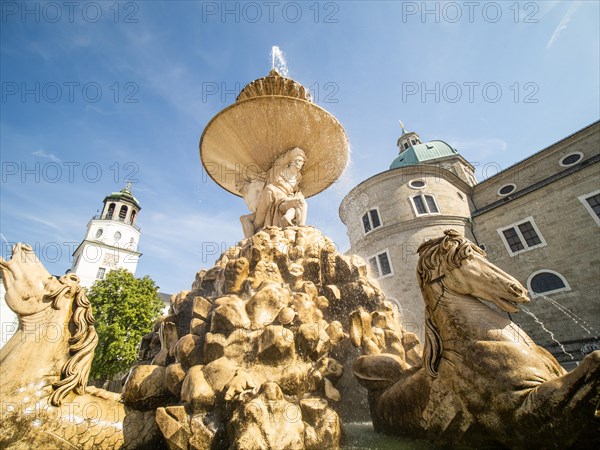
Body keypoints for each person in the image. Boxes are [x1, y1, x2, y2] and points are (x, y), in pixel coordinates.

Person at [240, 147, 308, 237]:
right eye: (298, 160)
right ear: (292, 160)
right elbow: (285, 158)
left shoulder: (298, 177)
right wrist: (295, 151)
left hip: (283, 200)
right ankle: (250, 239)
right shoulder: (279, 168)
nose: (299, 163)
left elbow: (295, 192)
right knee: (258, 222)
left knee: (301, 203)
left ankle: (301, 230)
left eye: (301, 162)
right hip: (271, 193)